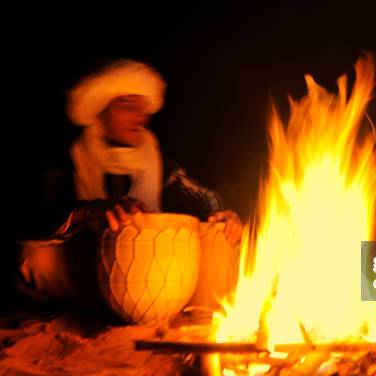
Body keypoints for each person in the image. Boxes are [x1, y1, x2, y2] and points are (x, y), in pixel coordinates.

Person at [18, 60, 242, 302]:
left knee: (219, 241)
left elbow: (204, 197)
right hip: (89, 269)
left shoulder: (156, 158)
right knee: (36, 258)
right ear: (99, 112)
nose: (141, 118)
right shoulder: (67, 157)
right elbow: (38, 216)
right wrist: (90, 211)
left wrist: (223, 215)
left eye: (144, 110)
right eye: (128, 107)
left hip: (152, 272)